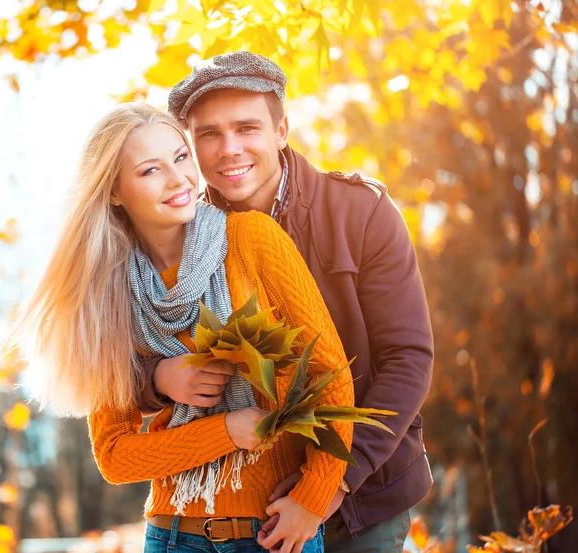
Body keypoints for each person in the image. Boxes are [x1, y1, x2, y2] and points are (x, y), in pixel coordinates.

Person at [11, 103, 356, 553]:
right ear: (114, 192)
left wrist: (312, 500)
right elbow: (115, 457)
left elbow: (331, 377)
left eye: (180, 157)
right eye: (150, 170)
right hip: (171, 535)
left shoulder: (252, 239)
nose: (178, 180)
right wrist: (227, 428)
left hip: (272, 531)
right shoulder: (111, 293)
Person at [138, 52, 434, 553]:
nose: (229, 149)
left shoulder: (360, 213)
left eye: (247, 128)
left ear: (282, 130)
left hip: (364, 497)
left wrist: (329, 488)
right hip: (248, 512)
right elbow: (137, 347)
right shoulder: (181, 234)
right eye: (208, 134)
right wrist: (156, 379)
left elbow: (407, 361)